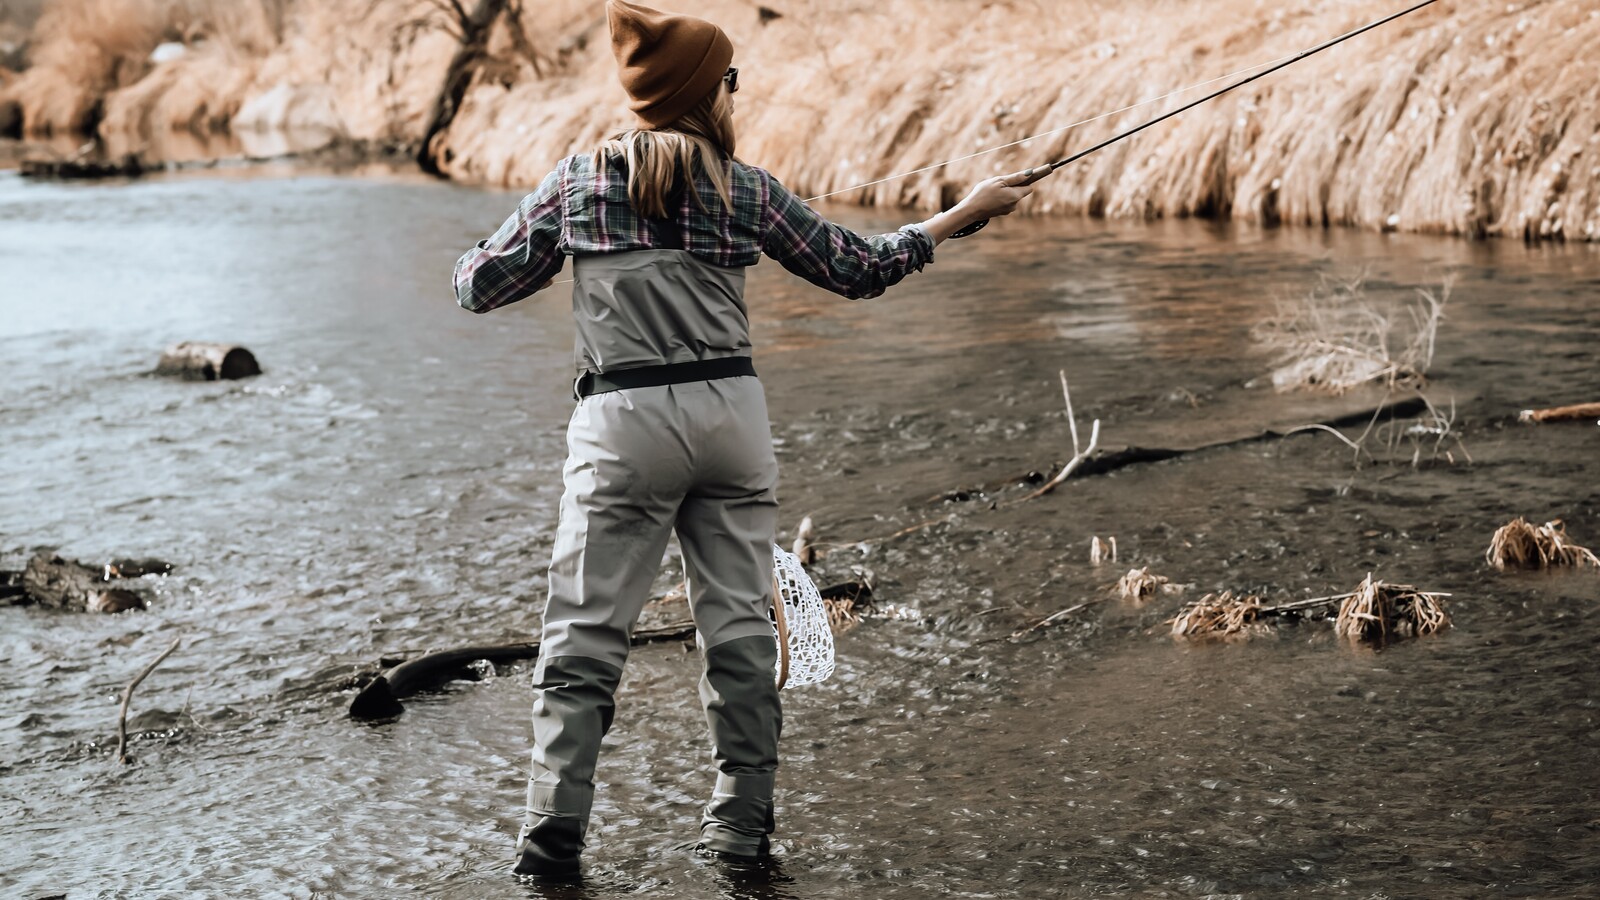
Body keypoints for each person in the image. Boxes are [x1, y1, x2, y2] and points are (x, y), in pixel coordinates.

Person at [452, 0, 1042, 880]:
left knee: (582, 637)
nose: (736, 91)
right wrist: (959, 215)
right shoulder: (747, 188)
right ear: (703, 93)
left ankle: (551, 841)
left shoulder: (577, 184)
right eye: (728, 79)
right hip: (732, 420)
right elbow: (859, 268)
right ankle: (738, 833)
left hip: (622, 425)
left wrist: (545, 240)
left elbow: (476, 287)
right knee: (738, 634)